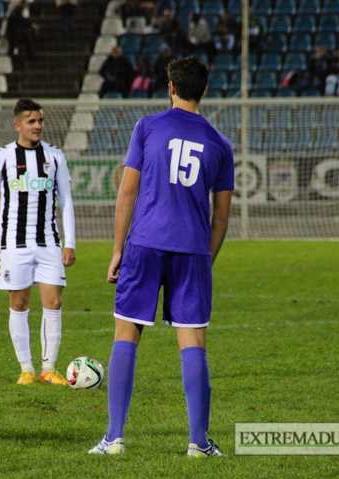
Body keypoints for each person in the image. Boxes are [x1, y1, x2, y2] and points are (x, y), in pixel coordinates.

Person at [88, 56, 234, 457]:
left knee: (127, 332)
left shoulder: (147, 127)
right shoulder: (220, 144)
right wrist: (207, 259)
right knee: (193, 340)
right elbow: (221, 216)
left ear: (170, 87)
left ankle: (114, 438)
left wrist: (118, 248)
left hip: (145, 243)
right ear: (204, 90)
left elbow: (127, 191)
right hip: (192, 250)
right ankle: (198, 443)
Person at [0, 99, 77, 386]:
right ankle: (27, 369)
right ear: (17, 125)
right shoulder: (2, 158)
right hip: (14, 244)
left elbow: (66, 202)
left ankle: (49, 368)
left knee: (54, 302)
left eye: (40, 121)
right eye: (31, 121)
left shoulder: (55, 157)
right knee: (19, 303)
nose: (38, 126)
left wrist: (69, 243)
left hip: (48, 243)